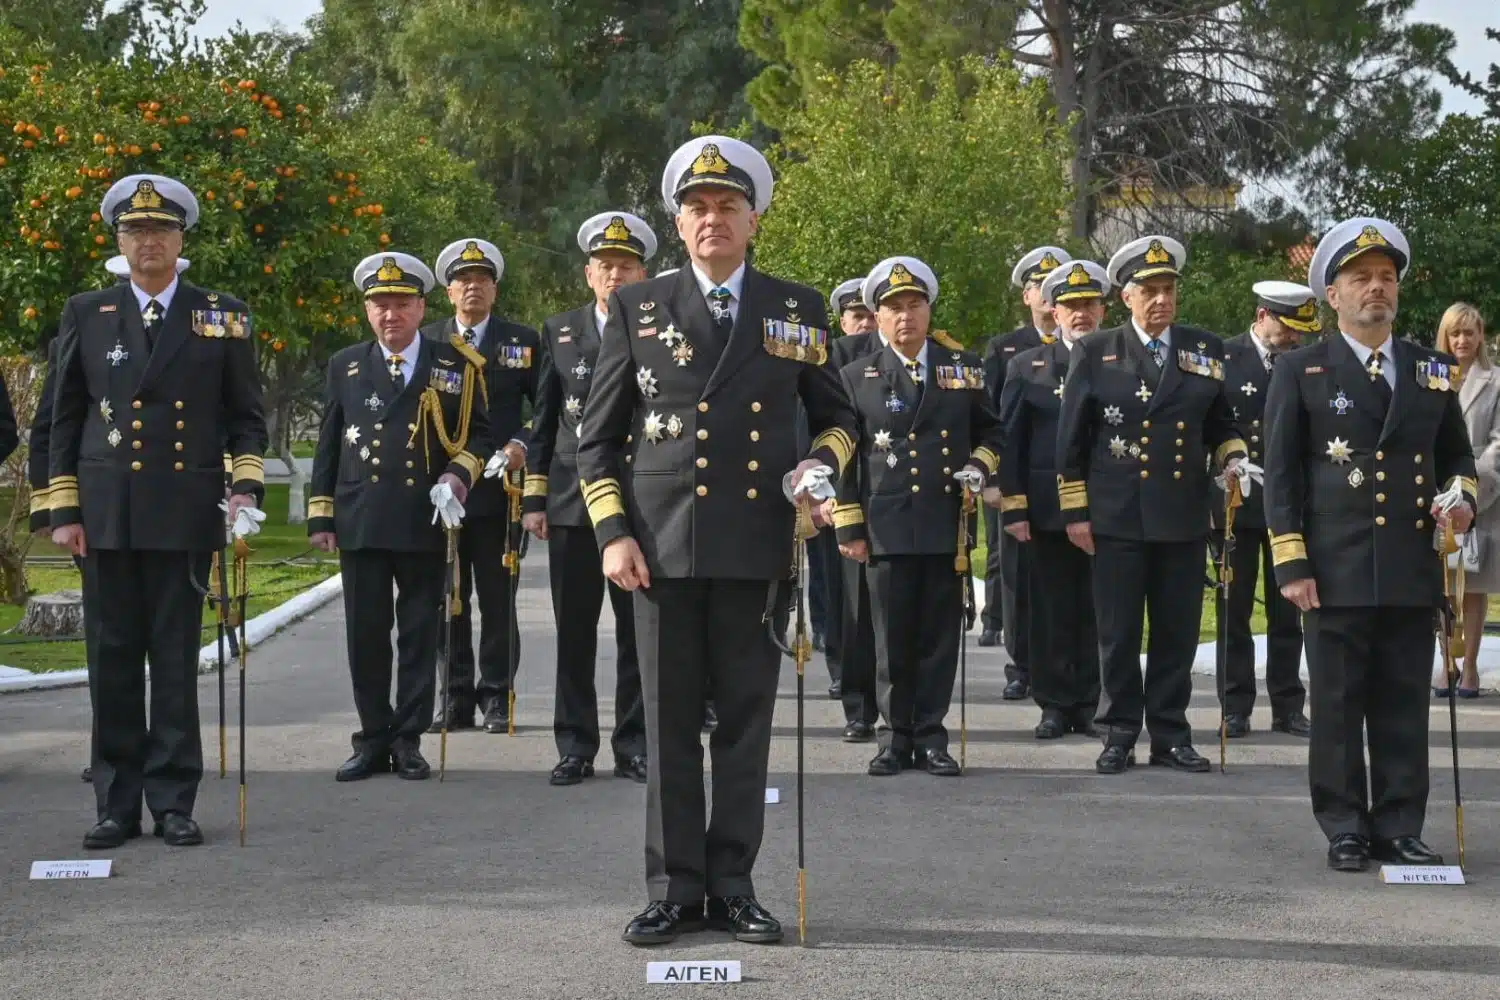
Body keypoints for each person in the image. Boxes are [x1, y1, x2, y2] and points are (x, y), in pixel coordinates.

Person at [577, 135, 857, 946]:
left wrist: (819, 467)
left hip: (754, 545)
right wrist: (612, 532)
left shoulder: (795, 307)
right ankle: (673, 889)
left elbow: (839, 418)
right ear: (678, 222)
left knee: (743, 726)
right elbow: (598, 440)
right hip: (658, 551)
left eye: (728, 206)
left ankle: (733, 885)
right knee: (667, 728)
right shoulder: (639, 306)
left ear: (753, 219)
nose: (712, 220)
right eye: (697, 208)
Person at [49, 174, 267, 849]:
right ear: (119, 241)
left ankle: (174, 801)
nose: (149, 241)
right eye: (136, 230)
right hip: (107, 514)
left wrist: (244, 490)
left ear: (181, 240)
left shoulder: (221, 315)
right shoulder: (88, 312)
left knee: (174, 660)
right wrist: (62, 509)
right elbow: (61, 418)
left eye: (162, 229)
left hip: (183, 511)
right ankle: (116, 804)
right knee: (112, 659)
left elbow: (246, 418)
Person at [1264, 217, 1475, 871]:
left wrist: (1462, 500)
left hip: (1410, 566)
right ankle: (1345, 826)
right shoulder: (1302, 369)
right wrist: (1292, 560)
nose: (1377, 288)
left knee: (1404, 704)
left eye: (1386, 278)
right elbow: (1282, 473)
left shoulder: (1431, 370)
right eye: (1361, 279)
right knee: (1336, 705)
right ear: (1333, 295)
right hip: (1334, 566)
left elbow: (1457, 458)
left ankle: (1400, 824)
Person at [1056, 234, 1246, 776]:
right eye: (1150, 291)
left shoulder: (1203, 348)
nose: (1161, 300)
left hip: (1182, 513)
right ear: (1127, 297)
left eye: (1168, 289)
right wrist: (1075, 512)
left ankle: (1170, 733)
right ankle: (1118, 731)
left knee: (1176, 632)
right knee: (1118, 634)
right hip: (1117, 514)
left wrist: (1233, 458)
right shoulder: (1097, 351)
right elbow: (1071, 440)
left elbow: (1222, 423)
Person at [307, 251, 492, 782]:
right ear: (368, 311)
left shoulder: (454, 365)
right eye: (381, 305)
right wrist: (321, 515)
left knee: (418, 634)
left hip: (422, 519)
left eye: (402, 304)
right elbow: (327, 444)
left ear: (421, 308)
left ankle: (408, 739)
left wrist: (457, 476)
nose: (391, 315)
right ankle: (372, 738)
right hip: (361, 517)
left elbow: (479, 436)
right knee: (366, 635)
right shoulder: (345, 365)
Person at [832, 257, 1001, 776]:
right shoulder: (856, 376)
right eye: (894, 308)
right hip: (884, 525)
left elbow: (993, 432)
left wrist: (979, 465)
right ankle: (893, 736)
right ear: (878, 318)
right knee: (889, 638)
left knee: (938, 637)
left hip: (943, 521)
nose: (905, 316)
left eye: (914, 305)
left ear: (928, 311)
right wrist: (849, 524)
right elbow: (845, 452)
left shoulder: (962, 369)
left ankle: (931, 735)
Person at [524, 212, 655, 786]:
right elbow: (544, 420)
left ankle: (634, 744)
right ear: (588, 274)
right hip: (573, 503)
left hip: (639, 504)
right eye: (606, 266)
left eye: (626, 266)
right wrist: (535, 499)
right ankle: (575, 745)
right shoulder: (560, 331)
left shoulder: (657, 328)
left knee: (637, 634)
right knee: (574, 632)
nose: (616, 275)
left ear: (642, 273)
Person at [421, 238, 538, 734]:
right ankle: (453, 697)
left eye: (482, 280)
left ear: (495, 289)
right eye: (463, 280)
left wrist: (521, 444)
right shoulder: (428, 341)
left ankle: (496, 696)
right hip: (444, 493)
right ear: (449, 291)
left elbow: (548, 409)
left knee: (496, 599)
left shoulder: (521, 342)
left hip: (500, 492)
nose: (473, 287)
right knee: (447, 598)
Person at [997, 260, 1109, 740]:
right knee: (1050, 609)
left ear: (1103, 310)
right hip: (1046, 510)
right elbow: (1011, 441)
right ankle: (1054, 704)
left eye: (1088, 304)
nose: (1080, 314)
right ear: (1054, 310)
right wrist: (1015, 507)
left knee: (1099, 610)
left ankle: (1091, 702)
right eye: (1070, 305)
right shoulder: (1028, 366)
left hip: (1108, 508)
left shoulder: (1119, 361)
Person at [1212, 281, 1317, 739]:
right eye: (1287, 327)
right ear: (1261, 317)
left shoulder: (1304, 362)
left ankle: (1288, 705)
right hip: (1236, 500)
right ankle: (1235, 706)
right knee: (1234, 609)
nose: (1294, 337)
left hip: (1288, 504)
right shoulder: (1223, 357)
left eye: (1299, 330)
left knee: (1288, 608)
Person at [979, 246, 1070, 699]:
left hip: (1066, 485)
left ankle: (1064, 667)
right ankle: (1021, 666)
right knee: (1013, 572)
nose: (1048, 295)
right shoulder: (1005, 349)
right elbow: (994, 419)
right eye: (1040, 286)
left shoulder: (1087, 345)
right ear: (1027, 296)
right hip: (1014, 480)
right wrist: (994, 481)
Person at [824, 277, 882, 738]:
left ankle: (908, 715)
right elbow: (819, 424)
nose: (865, 323)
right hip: (846, 494)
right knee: (852, 606)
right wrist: (820, 490)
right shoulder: (835, 355)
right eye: (856, 314)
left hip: (900, 500)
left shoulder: (935, 358)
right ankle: (859, 704)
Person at [1431, 303, 1498, 698]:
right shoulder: (1429, 377)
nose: (1462, 340)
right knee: (1442, 584)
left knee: (1472, 585)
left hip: (1484, 494)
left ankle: (1469, 665)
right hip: (1435, 494)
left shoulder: (1496, 380)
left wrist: (1472, 487)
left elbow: (1499, 442)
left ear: (1480, 336)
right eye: (1455, 333)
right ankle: (1447, 664)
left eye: (1469, 333)